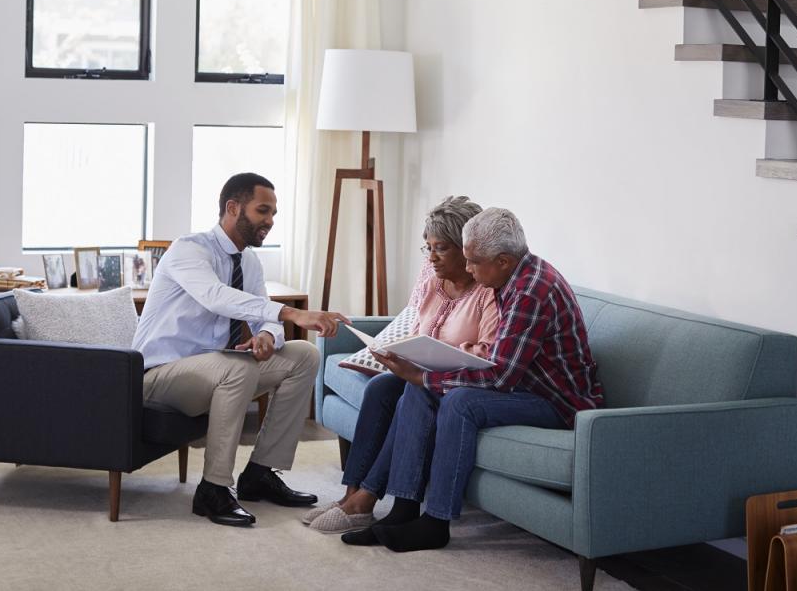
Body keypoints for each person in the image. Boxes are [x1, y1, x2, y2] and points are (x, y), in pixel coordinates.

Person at [341, 207, 603, 551]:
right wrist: (422, 379)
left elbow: (501, 375)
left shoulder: (530, 291)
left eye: (474, 261)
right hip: (526, 385)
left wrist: (423, 376)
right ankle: (403, 509)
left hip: (558, 403)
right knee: (419, 392)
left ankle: (436, 522)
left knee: (459, 401)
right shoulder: (508, 277)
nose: (467, 269)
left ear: (504, 260)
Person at [133, 172, 350, 527]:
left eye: (274, 213)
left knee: (304, 355)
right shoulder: (188, 249)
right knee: (238, 368)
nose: (270, 221)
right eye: (263, 211)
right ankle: (213, 489)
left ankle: (260, 473)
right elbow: (217, 297)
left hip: (214, 370)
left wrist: (267, 334)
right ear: (233, 208)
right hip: (161, 376)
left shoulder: (248, 261)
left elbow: (263, 312)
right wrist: (293, 312)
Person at [305, 196, 499, 533]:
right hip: (421, 370)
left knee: (410, 391)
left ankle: (367, 497)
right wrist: (400, 351)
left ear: (466, 249)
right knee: (381, 387)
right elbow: (416, 326)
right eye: (428, 248)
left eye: (441, 248)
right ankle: (352, 494)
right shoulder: (432, 279)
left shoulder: (488, 291)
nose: (432, 257)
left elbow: (487, 353)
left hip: (457, 381)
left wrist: (436, 358)